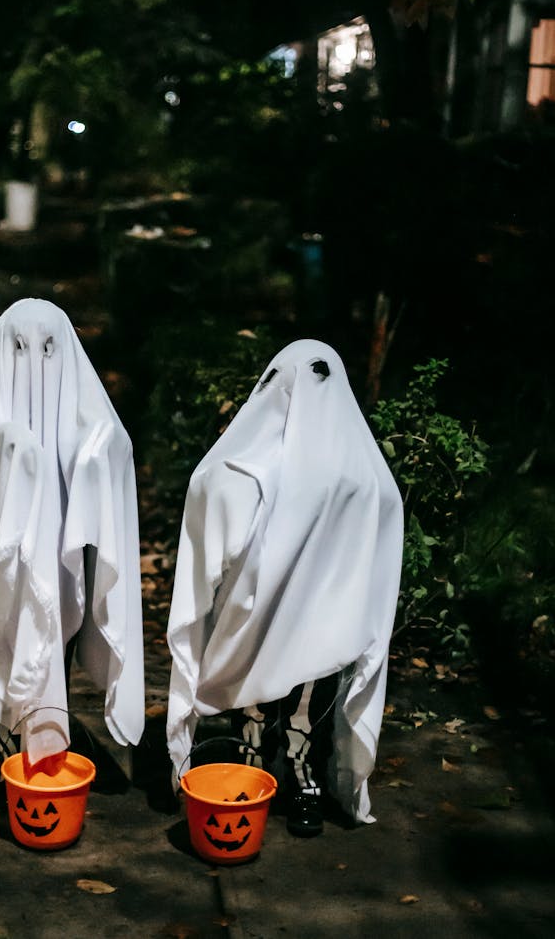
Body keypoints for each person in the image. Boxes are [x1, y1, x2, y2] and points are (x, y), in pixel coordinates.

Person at [166, 339, 403, 835]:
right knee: (254, 690)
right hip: (257, 612)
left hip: (320, 618)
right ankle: (256, 762)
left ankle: (298, 772)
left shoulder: (359, 477)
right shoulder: (251, 466)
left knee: (305, 698)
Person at [0, 298, 144, 777]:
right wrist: (12, 444)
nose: (35, 370)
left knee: (59, 621)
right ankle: (3, 725)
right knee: (14, 617)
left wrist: (96, 447)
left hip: (65, 541)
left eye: (48, 350)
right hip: (14, 540)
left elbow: (111, 439)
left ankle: (44, 717)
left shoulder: (83, 412)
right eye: (18, 349)